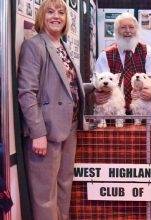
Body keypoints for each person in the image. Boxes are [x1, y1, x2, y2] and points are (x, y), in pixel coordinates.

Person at [17, 0, 94, 219]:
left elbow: (66, 87)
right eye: (50, 12)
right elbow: (26, 92)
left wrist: (92, 88)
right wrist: (38, 133)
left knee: (63, 187)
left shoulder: (63, 45)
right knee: (45, 195)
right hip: (47, 130)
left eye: (61, 12)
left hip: (68, 127)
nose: (56, 16)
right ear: (42, 16)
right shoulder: (34, 46)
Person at [95, 12, 151, 111]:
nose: (127, 31)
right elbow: (98, 83)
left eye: (131, 27)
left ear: (136, 30)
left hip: (142, 112)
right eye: (123, 27)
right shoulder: (105, 55)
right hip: (113, 113)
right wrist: (98, 95)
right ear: (117, 31)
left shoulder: (149, 52)